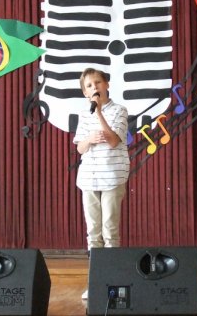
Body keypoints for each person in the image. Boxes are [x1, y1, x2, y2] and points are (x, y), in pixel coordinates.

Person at [73, 68, 129, 299]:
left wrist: (98, 114)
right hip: (88, 178)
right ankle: (96, 283)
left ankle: (112, 284)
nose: (94, 87)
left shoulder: (119, 110)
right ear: (85, 93)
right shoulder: (83, 114)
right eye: (89, 85)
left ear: (106, 85)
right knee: (93, 233)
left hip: (112, 176)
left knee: (110, 230)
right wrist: (88, 139)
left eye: (98, 82)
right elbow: (80, 148)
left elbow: (114, 140)